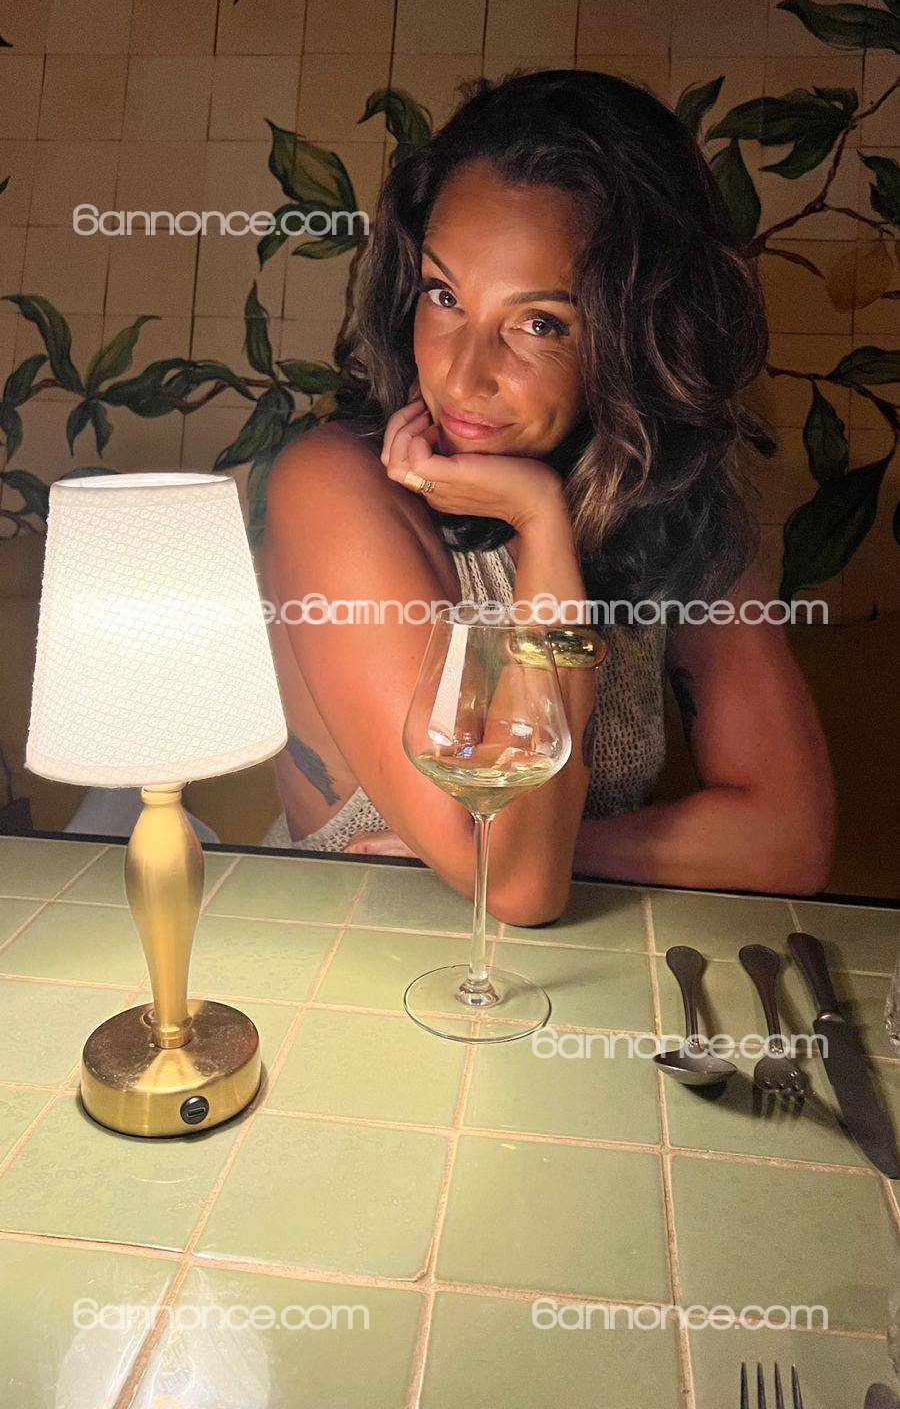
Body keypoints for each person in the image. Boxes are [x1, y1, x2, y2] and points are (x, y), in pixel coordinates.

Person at [259, 70, 834, 922]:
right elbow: (518, 889)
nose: (464, 375)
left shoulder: (670, 494)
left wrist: (546, 527)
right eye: (444, 296)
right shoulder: (333, 487)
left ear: (637, 333)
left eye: (540, 324)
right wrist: (539, 518)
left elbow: (791, 842)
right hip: (346, 960)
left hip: (593, 969)